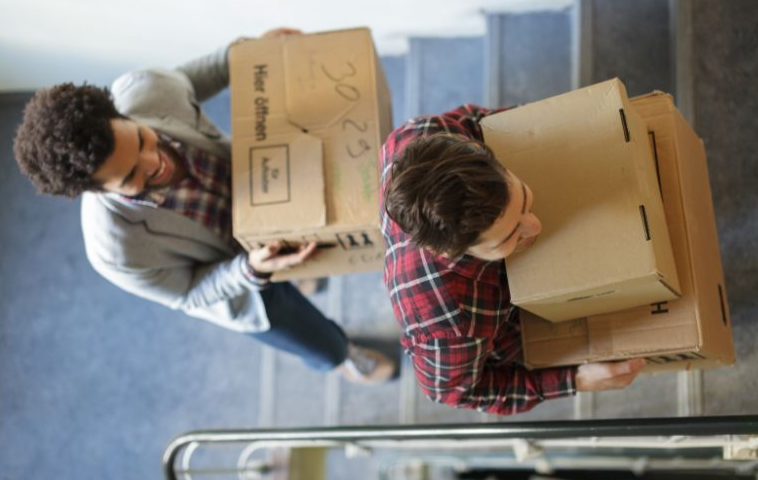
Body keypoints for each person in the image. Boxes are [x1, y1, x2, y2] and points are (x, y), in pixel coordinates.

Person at [13, 27, 394, 385]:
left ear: (122, 115)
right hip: (238, 279)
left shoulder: (145, 89)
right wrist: (251, 269)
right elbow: (189, 294)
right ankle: (346, 357)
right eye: (132, 175)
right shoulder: (115, 253)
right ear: (96, 191)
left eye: (143, 139)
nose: (156, 162)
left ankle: (305, 275)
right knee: (317, 341)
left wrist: (251, 52)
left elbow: (199, 75)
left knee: (322, 247)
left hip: (267, 194)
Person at [380, 104, 646, 415]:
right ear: (454, 252)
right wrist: (577, 380)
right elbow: (459, 393)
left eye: (523, 199)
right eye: (507, 237)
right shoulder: (448, 325)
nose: (536, 226)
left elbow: (489, 120)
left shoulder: (425, 134)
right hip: (514, 328)